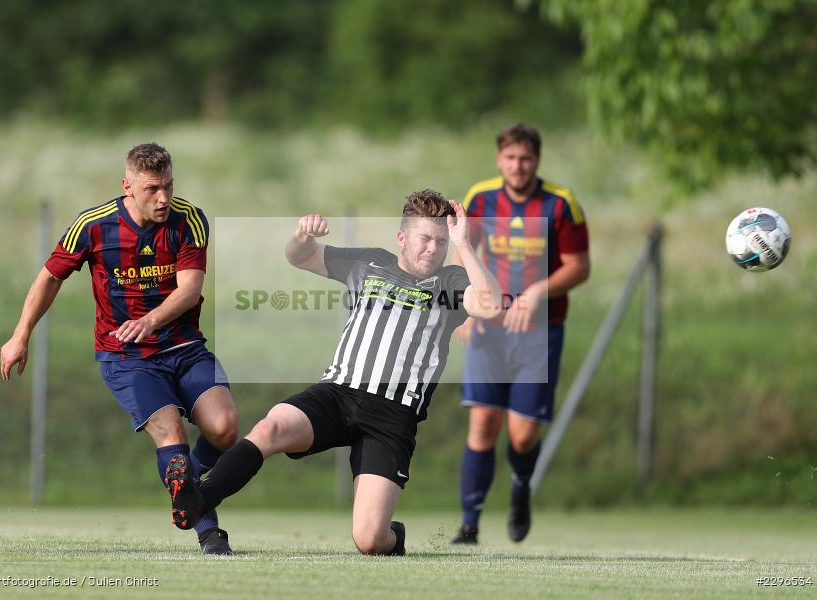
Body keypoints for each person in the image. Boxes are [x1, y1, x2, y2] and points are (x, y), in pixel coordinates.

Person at [161, 189, 503, 555]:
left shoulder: (450, 282)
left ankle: (394, 536)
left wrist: (463, 243)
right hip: (338, 394)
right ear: (402, 238)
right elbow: (301, 256)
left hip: (392, 415)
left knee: (370, 540)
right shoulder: (370, 263)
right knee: (271, 427)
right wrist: (302, 236)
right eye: (425, 239)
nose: (433, 249)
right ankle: (200, 499)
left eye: (439, 241)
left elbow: (492, 305)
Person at [0, 143, 239, 555]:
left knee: (224, 428)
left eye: (168, 186)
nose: (163, 197)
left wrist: (150, 320)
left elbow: (190, 289)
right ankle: (208, 533)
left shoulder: (189, 220)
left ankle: (190, 490)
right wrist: (21, 334)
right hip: (127, 358)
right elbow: (49, 277)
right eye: (151, 189)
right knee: (173, 441)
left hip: (184, 347)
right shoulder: (93, 225)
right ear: (127, 186)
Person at [451, 123, 590, 545]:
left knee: (523, 435)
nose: (518, 166)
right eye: (510, 158)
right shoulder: (480, 198)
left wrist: (537, 293)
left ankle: (520, 488)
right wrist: (465, 312)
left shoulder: (561, 204)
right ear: (499, 159)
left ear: (537, 160)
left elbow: (579, 265)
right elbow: (462, 254)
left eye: (525, 158)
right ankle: (469, 524)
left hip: (539, 333)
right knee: (482, 426)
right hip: (490, 331)